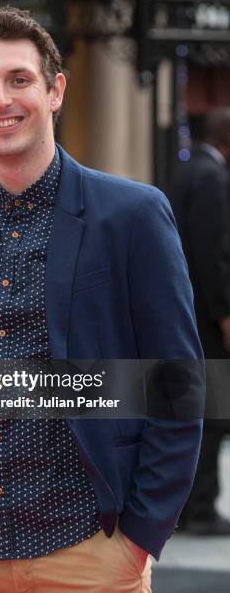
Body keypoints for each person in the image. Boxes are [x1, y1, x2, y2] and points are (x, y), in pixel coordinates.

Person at [0, 7, 204, 592]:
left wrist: (141, 536)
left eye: (19, 79)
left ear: (55, 91)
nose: (1, 99)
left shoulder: (132, 214)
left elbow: (177, 383)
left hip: (88, 547)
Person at [170, 108, 230, 535]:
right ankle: (201, 506)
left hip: (184, 309)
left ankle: (189, 505)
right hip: (204, 314)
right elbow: (213, 255)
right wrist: (224, 313)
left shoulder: (186, 171)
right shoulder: (211, 177)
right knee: (212, 409)